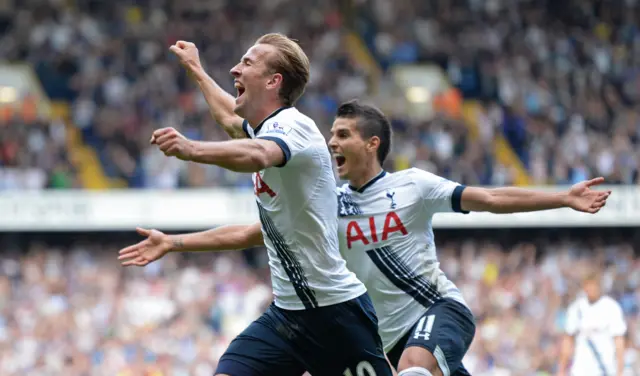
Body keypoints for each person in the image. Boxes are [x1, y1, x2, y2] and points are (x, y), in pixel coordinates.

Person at [121, 97, 611, 376]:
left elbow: (489, 199)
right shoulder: (327, 203)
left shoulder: (413, 186)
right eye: (330, 135)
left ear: (371, 143)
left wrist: (560, 198)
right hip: (385, 340)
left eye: (342, 135)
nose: (331, 142)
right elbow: (254, 233)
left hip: (438, 312)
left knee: (417, 366)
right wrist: (176, 242)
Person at [136, 36, 394, 376]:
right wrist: (172, 242)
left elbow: (258, 154)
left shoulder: (293, 127)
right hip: (286, 319)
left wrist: (192, 149)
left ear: (274, 82)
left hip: (335, 314)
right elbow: (231, 122)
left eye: (247, 63)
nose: (234, 69)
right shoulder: (268, 130)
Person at [559, 273, 627, 376]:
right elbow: (568, 340)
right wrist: (562, 370)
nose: (590, 289)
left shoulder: (611, 307)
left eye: (593, 285)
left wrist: (620, 371)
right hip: (580, 370)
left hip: (605, 369)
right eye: (588, 285)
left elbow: (619, 342)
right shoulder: (576, 308)